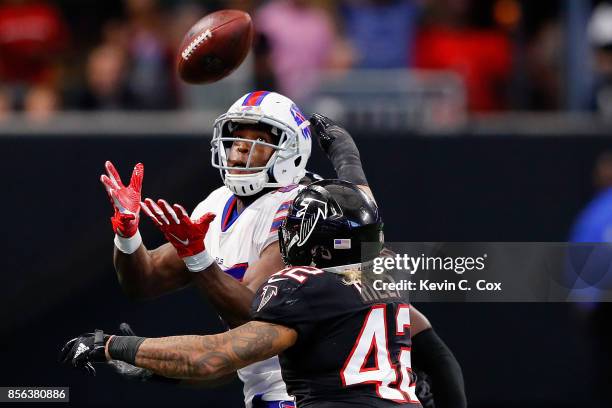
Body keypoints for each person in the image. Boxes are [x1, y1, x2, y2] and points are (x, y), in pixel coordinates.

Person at [61, 179, 435, 407]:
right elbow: (439, 356)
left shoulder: (307, 288)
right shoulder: (384, 281)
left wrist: (113, 345)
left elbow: (214, 357)